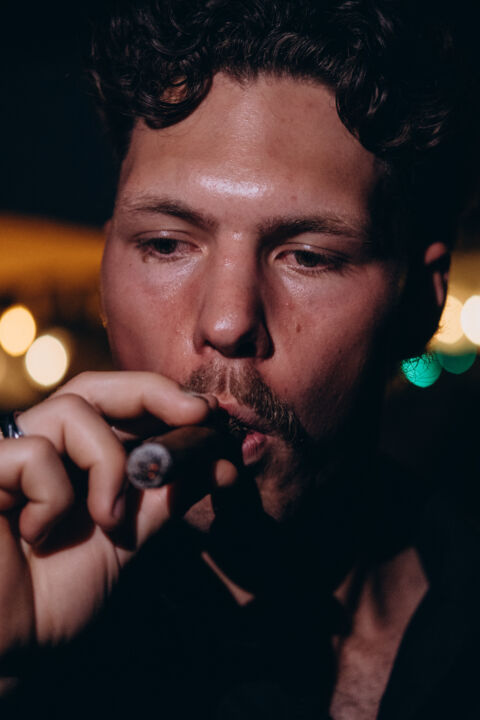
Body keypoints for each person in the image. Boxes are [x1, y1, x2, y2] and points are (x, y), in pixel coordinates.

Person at [0, 1, 478, 718]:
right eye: (166, 245)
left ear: (421, 304)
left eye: (308, 256)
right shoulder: (36, 621)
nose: (226, 323)